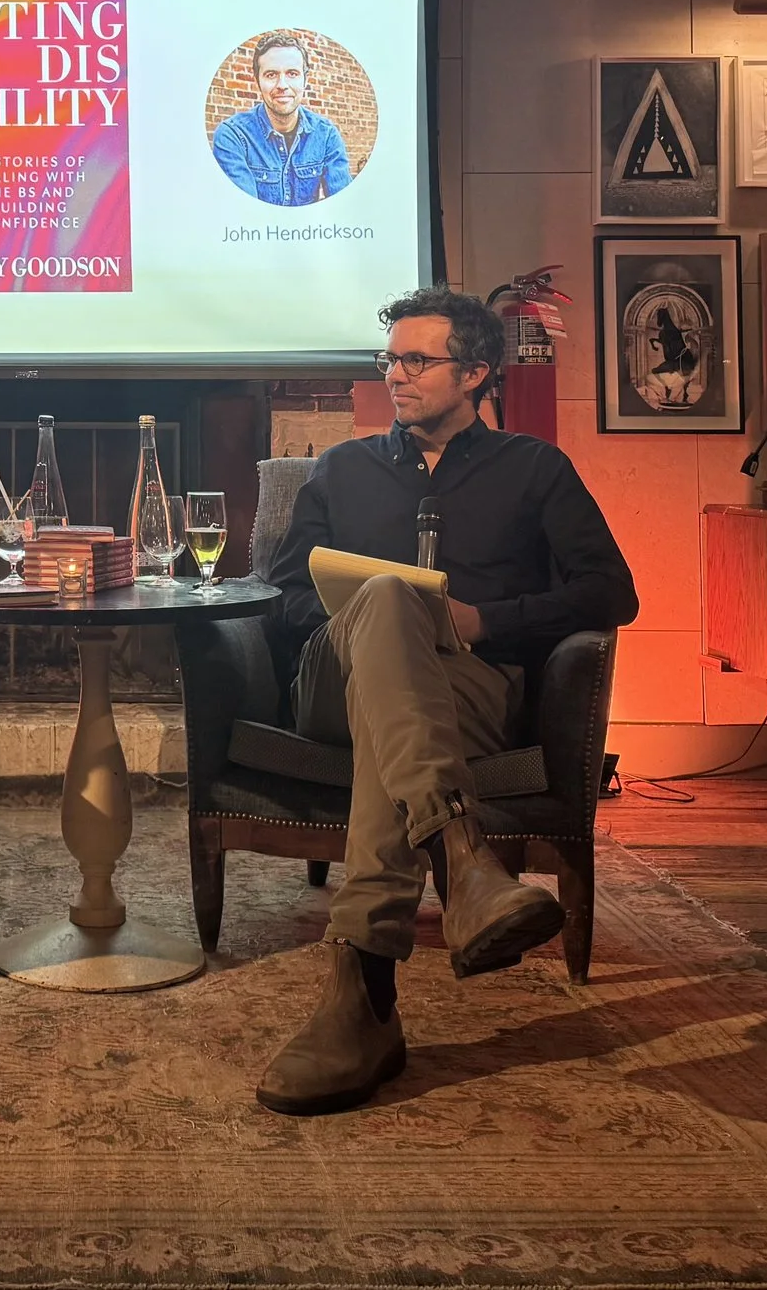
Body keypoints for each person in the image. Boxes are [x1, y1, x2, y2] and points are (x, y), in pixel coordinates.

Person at [256, 285, 638, 1114]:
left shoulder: (535, 469)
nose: (395, 374)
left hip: (469, 687)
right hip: (334, 681)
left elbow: (612, 591)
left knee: (394, 719)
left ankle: (361, 996)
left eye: (416, 360)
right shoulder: (341, 468)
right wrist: (364, 618)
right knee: (386, 600)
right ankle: (462, 860)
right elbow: (281, 596)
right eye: (389, 358)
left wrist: (484, 619)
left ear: (476, 372)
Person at [211, 30, 357, 207]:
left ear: (305, 80)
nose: (282, 85)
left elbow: (344, 207)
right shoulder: (233, 136)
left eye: (292, 73)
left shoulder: (326, 135)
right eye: (271, 74)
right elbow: (246, 214)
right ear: (257, 81)